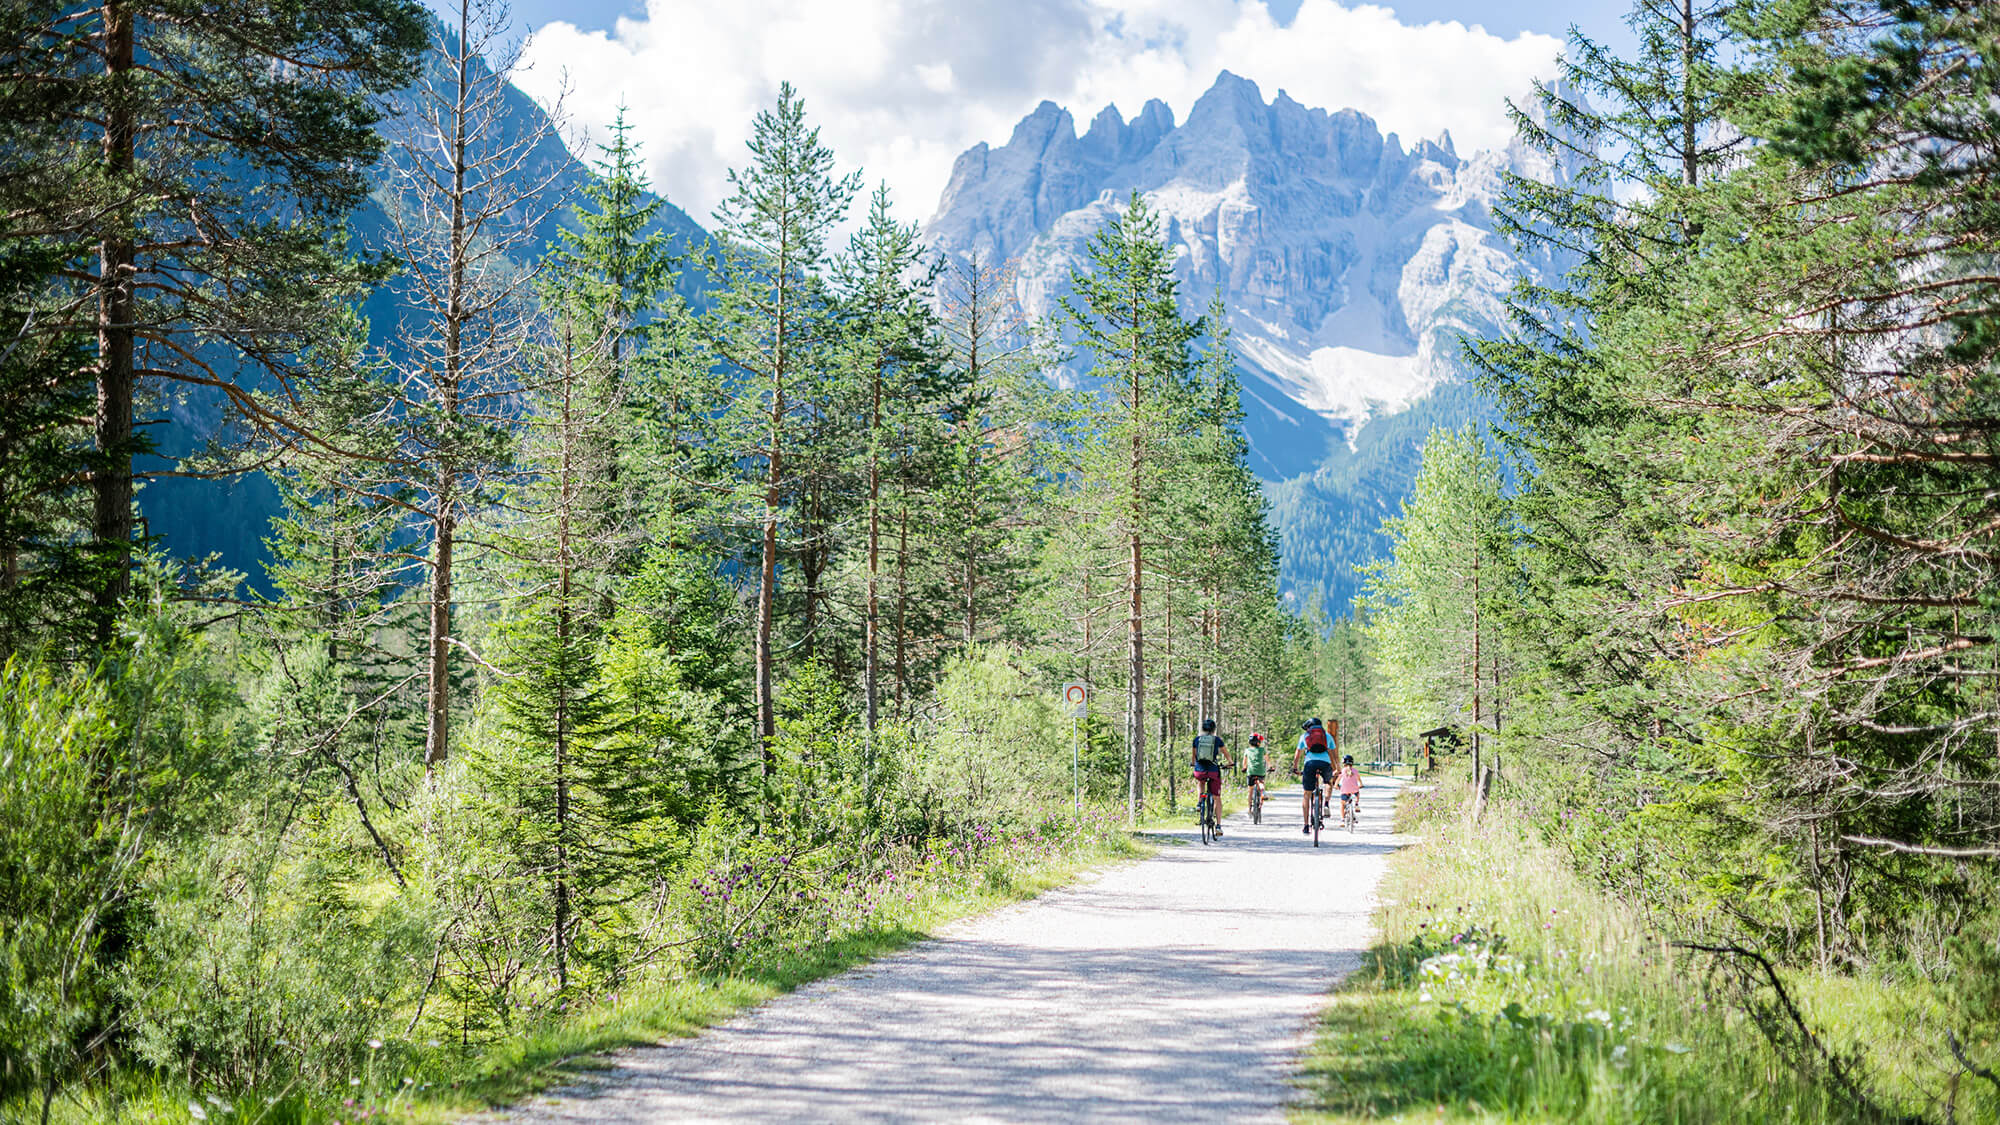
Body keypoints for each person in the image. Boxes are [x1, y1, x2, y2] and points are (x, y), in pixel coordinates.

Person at [1191, 718, 1232, 837]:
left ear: (1203, 728)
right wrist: (1230, 762)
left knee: (1200, 782)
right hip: (1213, 771)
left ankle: (1199, 802)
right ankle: (1218, 826)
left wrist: (1193, 763)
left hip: (1199, 771)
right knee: (1217, 798)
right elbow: (1226, 754)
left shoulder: (1197, 740)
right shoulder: (1217, 740)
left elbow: (1193, 756)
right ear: (1214, 729)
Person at [1293, 717, 1335, 834]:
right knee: (1328, 782)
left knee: (1307, 794)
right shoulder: (1327, 736)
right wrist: (1336, 768)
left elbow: (1298, 754)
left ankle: (1306, 825)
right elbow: (1333, 754)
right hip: (1325, 763)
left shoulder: (1304, 736)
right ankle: (1326, 803)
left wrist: (1295, 767)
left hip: (1310, 763)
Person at [1242, 733, 1268, 813]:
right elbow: (1267, 759)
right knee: (1261, 782)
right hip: (1261, 771)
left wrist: (1244, 768)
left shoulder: (1247, 750)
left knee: (1250, 791)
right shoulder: (1262, 750)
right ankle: (1262, 791)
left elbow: (1244, 762)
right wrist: (1271, 767)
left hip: (1251, 772)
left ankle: (1249, 809)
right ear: (1258, 742)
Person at [1336, 754, 1364, 825]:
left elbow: (1338, 780)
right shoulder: (1355, 771)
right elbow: (1359, 779)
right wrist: (1361, 785)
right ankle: (1356, 803)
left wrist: (1335, 785)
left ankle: (1342, 820)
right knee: (1357, 792)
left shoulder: (1343, 771)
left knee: (1342, 804)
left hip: (1345, 791)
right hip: (1354, 791)